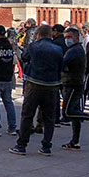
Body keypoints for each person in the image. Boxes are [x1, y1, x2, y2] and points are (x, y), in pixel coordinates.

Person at [10, 24, 64, 157]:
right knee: (49, 117)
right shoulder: (58, 49)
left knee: (27, 114)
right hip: (51, 85)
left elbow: (25, 57)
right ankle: (46, 146)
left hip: (34, 83)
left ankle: (22, 144)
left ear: (38, 34)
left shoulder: (34, 46)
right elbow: (61, 66)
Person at [60, 27, 89, 150]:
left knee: (68, 112)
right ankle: (75, 141)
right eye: (66, 37)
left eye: (69, 37)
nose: (67, 40)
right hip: (75, 83)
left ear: (77, 38)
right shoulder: (76, 49)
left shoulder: (74, 50)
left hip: (72, 84)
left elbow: (63, 64)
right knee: (75, 114)